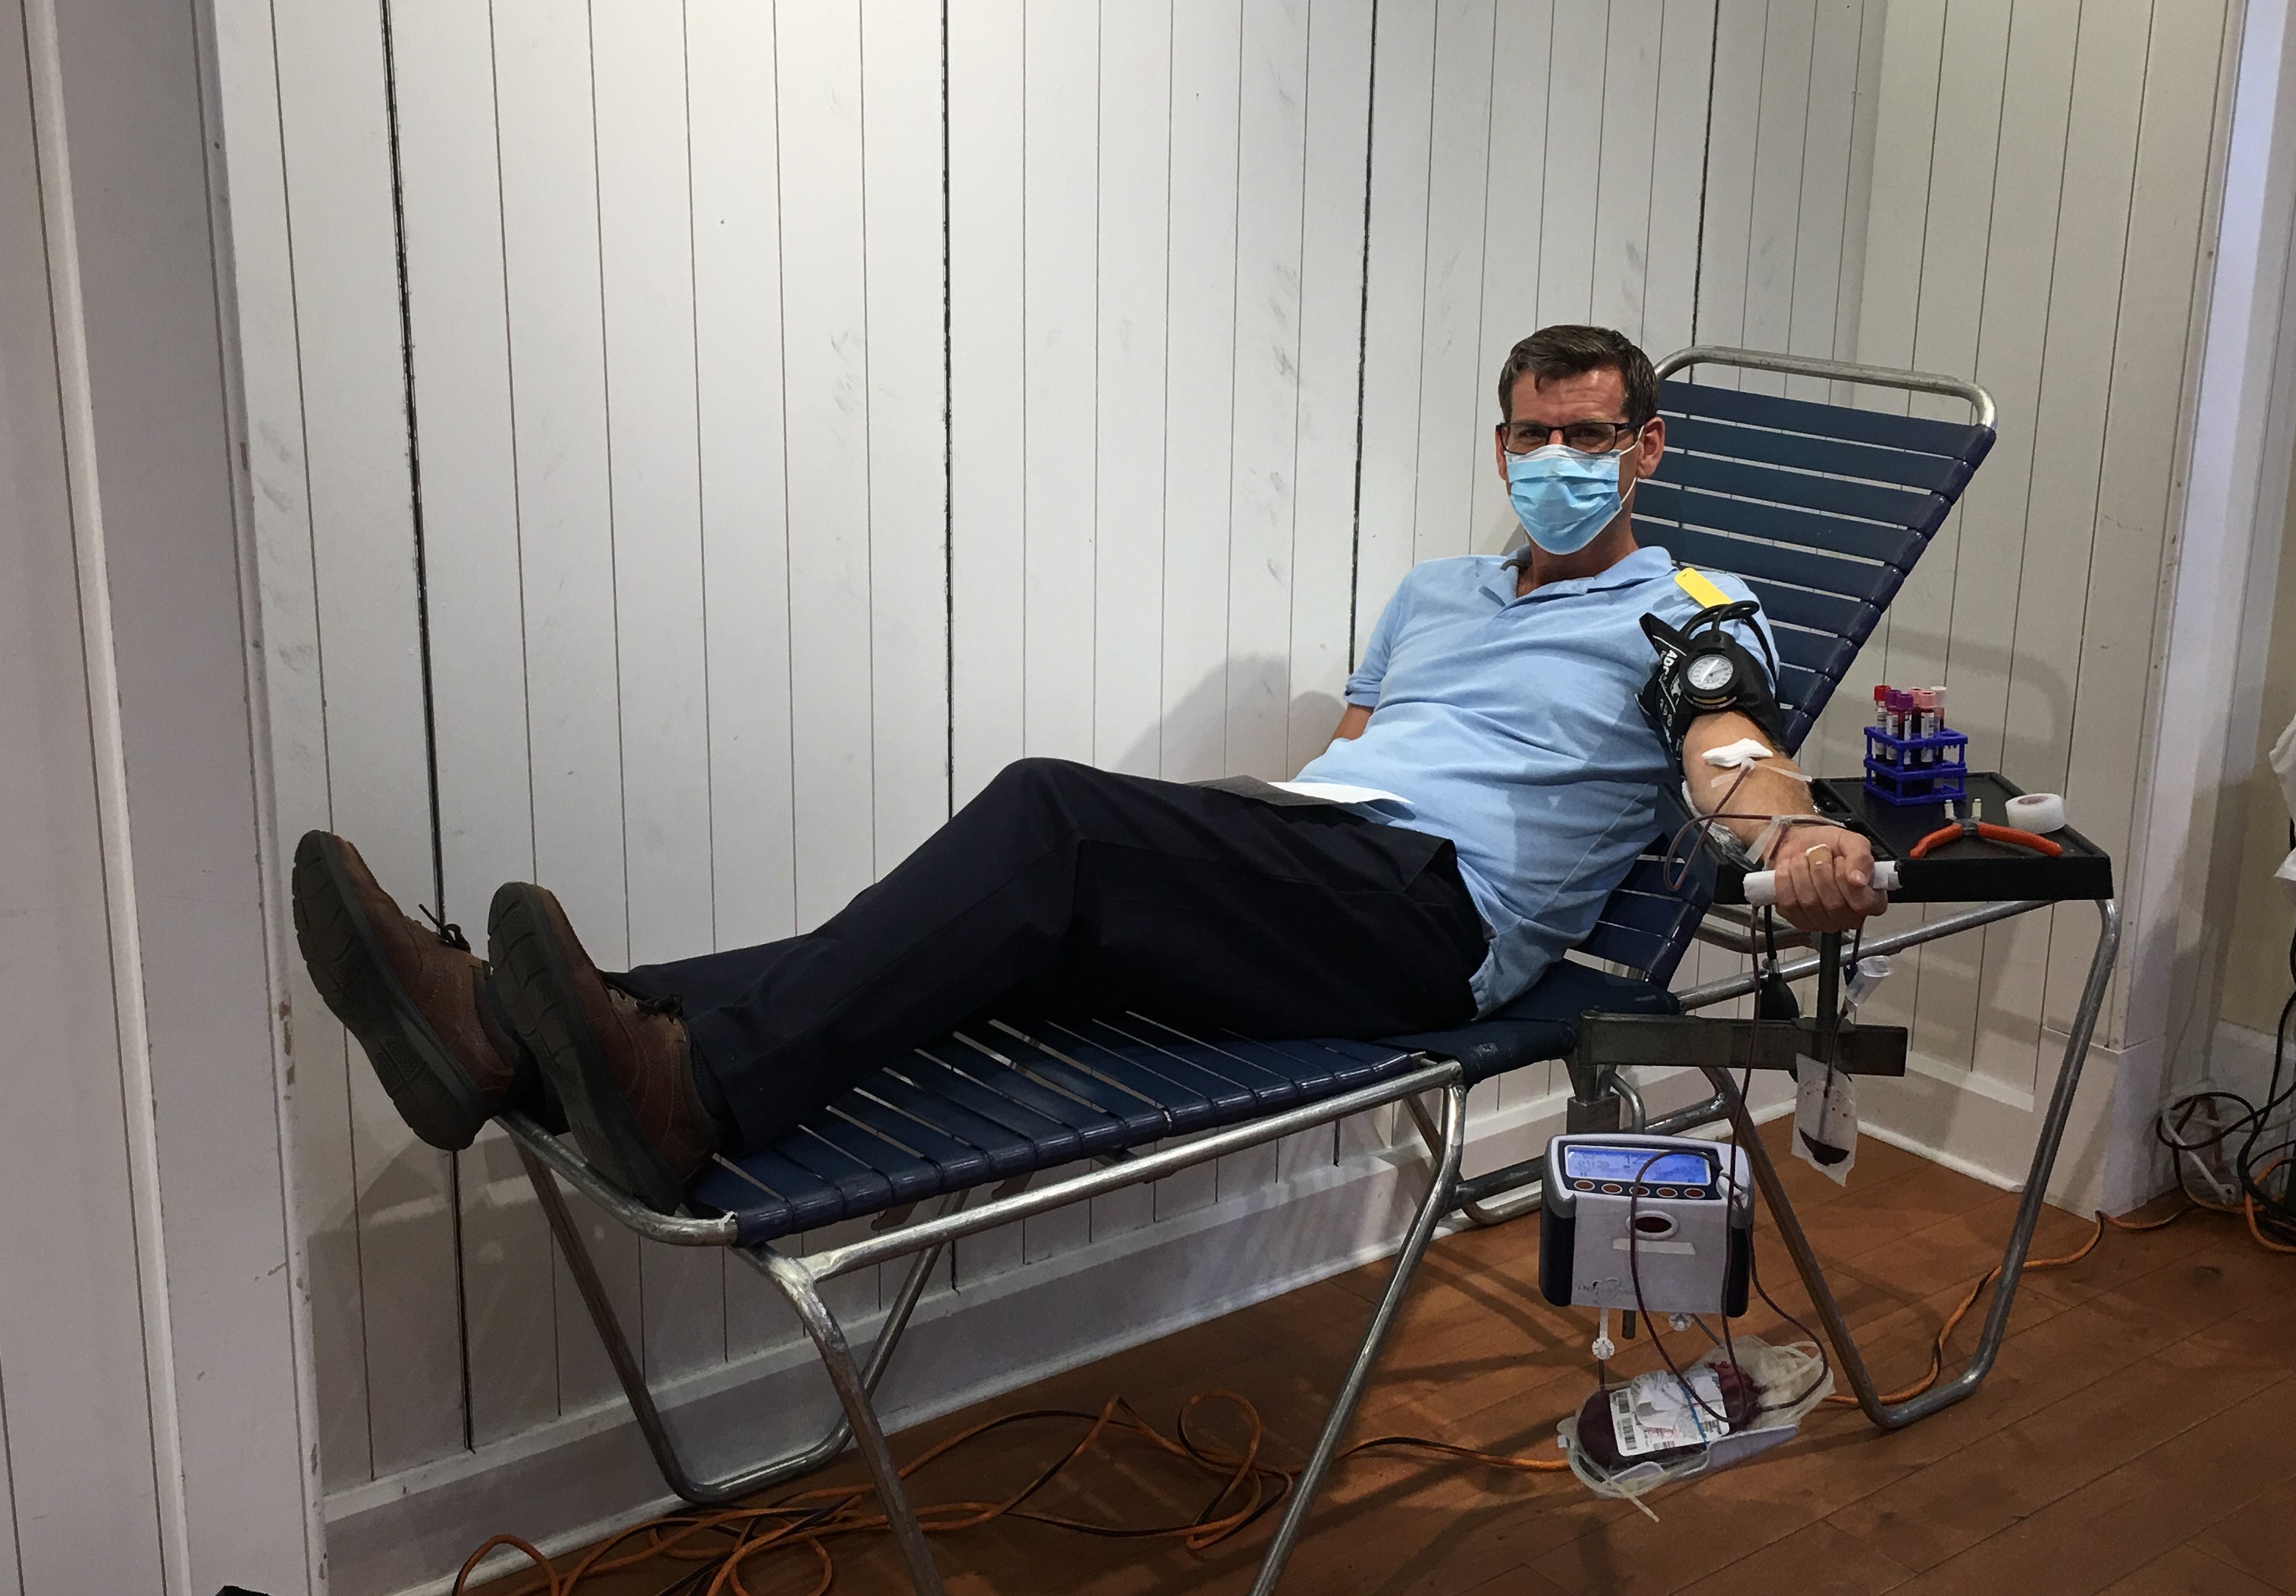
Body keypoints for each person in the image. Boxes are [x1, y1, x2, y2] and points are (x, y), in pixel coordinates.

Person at [293, 324, 1886, 1214]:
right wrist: (1212, 843)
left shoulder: (1685, 605)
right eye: (1532, 438)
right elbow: (1341, 761)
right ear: (1496, 446)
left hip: (1433, 919)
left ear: (1647, 452)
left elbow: (1728, 743)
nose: (1558, 467)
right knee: (989, 911)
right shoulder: (1436, 594)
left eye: (1592, 442)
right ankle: (510, 1025)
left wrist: (1796, 840)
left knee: (1052, 814)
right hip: (1315, 860)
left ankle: (694, 1090)